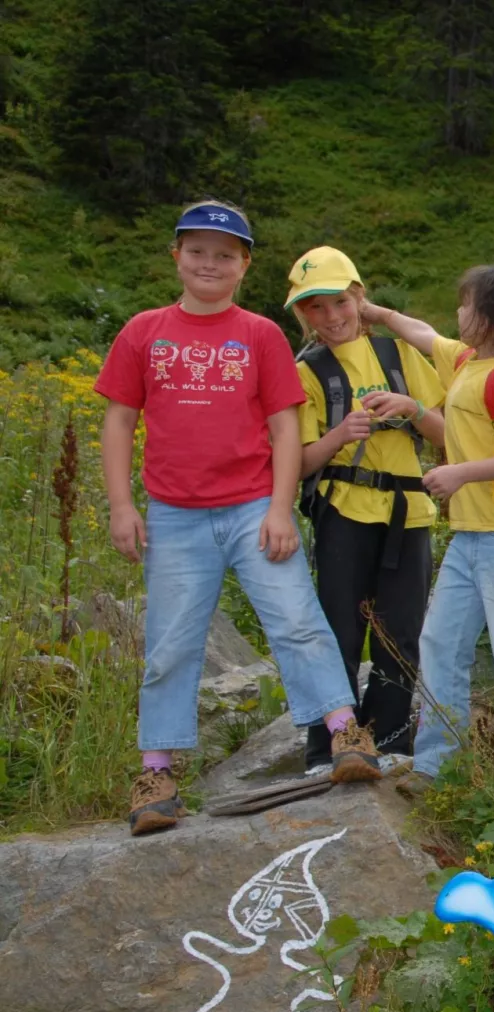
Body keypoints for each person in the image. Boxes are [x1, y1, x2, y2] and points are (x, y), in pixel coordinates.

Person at [97, 201, 380, 837]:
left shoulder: (258, 334)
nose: (209, 263)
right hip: (174, 515)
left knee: (299, 622)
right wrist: (121, 505)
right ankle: (157, 773)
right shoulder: (144, 330)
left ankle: (344, 734)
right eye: (196, 251)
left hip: (254, 506)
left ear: (244, 266)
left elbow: (285, 426)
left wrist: (280, 508)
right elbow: (118, 419)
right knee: (170, 644)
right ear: (176, 255)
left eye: (225, 255)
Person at [360, 266, 494, 788]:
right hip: (473, 537)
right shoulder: (469, 360)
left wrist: (458, 473)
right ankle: (436, 766)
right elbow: (424, 334)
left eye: (465, 305)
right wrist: (374, 313)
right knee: (440, 644)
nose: (457, 313)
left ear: (489, 321)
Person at [288, 247, 446, 773]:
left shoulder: (398, 356)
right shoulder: (306, 371)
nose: (332, 317)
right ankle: (327, 745)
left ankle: (393, 742)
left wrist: (414, 409)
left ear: (359, 298)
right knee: (338, 629)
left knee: (399, 630)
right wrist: (340, 434)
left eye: (340, 302)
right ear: (302, 315)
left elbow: (453, 435)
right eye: (316, 308)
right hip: (342, 509)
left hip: (408, 510)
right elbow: (296, 462)